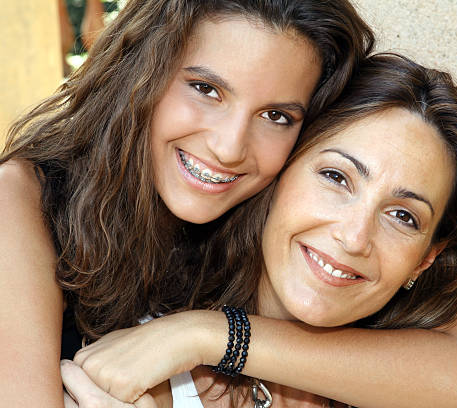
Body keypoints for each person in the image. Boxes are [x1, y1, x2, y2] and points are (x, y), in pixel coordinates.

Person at [65, 54, 457, 408]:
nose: (354, 236)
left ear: (425, 259)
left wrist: (211, 334)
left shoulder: (420, 374)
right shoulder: (139, 359)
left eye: (403, 216)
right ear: (278, 174)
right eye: (335, 177)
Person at [0, 1, 374, 406]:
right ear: (140, 71)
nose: (229, 148)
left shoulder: (281, 235)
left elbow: (453, 372)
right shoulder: (21, 200)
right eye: (206, 89)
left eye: (276, 116)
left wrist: (207, 335)